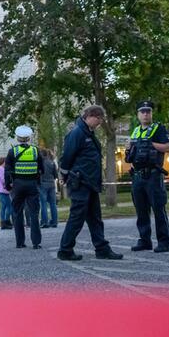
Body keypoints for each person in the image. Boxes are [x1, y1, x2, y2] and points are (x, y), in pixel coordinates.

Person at [56, 105, 124, 261]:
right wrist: (64, 176)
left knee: (95, 218)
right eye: (99, 119)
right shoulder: (77, 133)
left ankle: (102, 249)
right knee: (77, 217)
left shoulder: (87, 132)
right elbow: (66, 157)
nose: (100, 123)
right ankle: (65, 250)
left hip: (89, 182)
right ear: (91, 116)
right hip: (81, 182)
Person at [126, 100, 169, 252]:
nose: (145, 114)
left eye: (148, 111)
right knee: (141, 210)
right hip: (138, 176)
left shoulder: (158, 129)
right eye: (142, 111)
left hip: (153, 175)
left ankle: (164, 242)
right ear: (138, 115)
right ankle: (144, 240)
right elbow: (131, 153)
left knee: (158, 209)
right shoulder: (135, 131)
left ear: (151, 113)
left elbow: (168, 147)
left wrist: (150, 144)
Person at [5, 126, 44, 249]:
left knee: (17, 213)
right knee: (34, 213)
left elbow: (7, 171)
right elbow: (41, 169)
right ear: (28, 138)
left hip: (18, 185)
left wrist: (8, 185)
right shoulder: (35, 151)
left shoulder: (12, 152)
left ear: (17, 138)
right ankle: (36, 242)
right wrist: (37, 180)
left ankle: (20, 242)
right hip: (32, 184)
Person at [39, 149, 59, 228]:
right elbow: (55, 175)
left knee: (43, 204)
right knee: (53, 204)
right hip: (51, 184)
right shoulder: (52, 162)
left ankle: (44, 222)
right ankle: (54, 222)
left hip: (43, 184)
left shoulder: (40, 163)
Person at [0, 157, 13, 230]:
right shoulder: (2, 169)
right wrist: (10, 185)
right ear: (4, 162)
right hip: (3, 190)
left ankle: (3, 222)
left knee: (3, 207)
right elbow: (3, 179)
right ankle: (7, 221)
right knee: (9, 206)